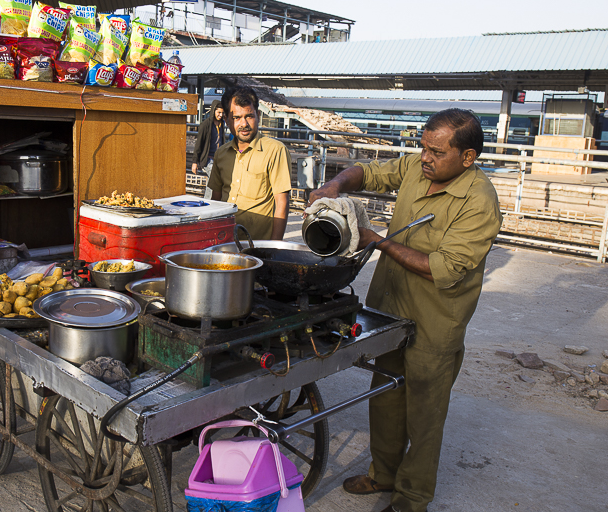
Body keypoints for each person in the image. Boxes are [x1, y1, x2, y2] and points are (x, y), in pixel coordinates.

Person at [308, 109, 502, 512]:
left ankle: (411, 498)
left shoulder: (479, 202)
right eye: (422, 147)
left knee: (424, 415)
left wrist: (375, 241)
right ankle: (383, 474)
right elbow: (371, 172)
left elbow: (443, 268)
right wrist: (335, 183)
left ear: (467, 157)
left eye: (436, 151)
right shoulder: (420, 167)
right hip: (390, 307)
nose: (425, 157)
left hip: (436, 321)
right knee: (385, 395)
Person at [206, 86, 291, 240]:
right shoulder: (221, 154)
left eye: (249, 116)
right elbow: (216, 200)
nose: (244, 124)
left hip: (258, 248)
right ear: (226, 120)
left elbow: (282, 205)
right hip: (225, 243)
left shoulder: (275, 151)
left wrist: (274, 249)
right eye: (237, 118)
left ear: (258, 115)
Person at [192, 100, 226, 200]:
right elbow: (199, 144)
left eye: (222, 113)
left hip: (218, 159)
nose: (220, 115)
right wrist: (195, 162)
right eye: (219, 112)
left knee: (213, 181)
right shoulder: (205, 125)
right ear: (213, 111)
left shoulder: (221, 124)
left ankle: (208, 201)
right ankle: (208, 202)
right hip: (207, 159)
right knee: (214, 179)